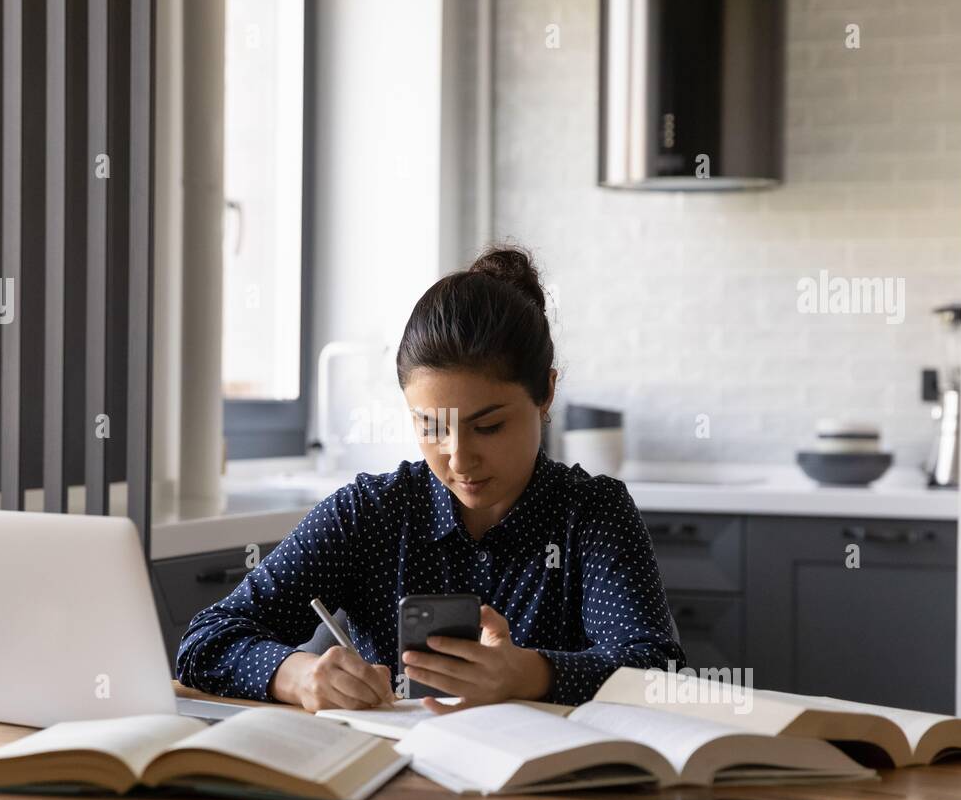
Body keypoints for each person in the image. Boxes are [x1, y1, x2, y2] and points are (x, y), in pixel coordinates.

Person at [177, 243, 685, 712]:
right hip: (395, 789)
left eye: (488, 426)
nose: (459, 459)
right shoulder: (369, 513)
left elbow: (658, 670)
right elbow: (206, 640)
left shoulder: (592, 513)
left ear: (545, 394)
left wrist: (529, 674)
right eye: (432, 427)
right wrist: (299, 675)